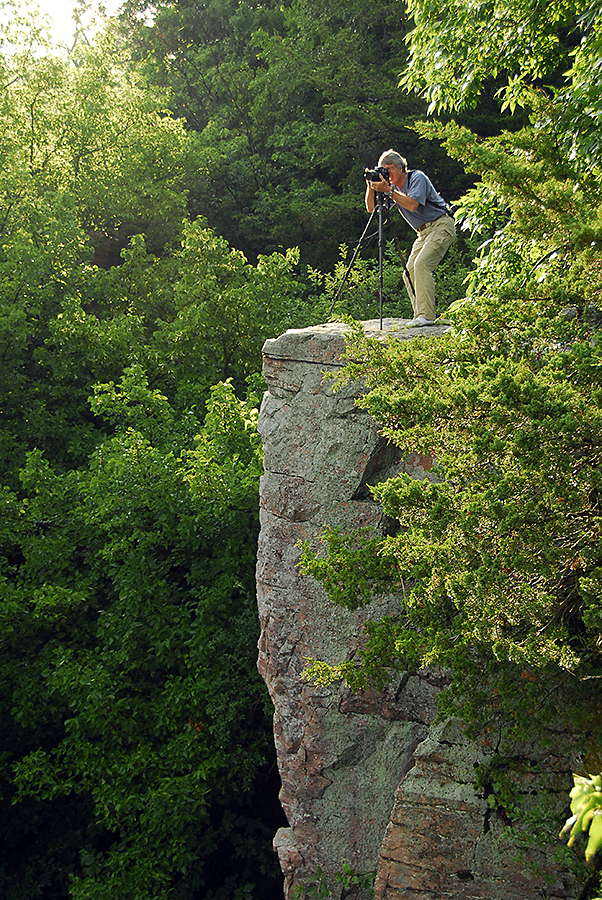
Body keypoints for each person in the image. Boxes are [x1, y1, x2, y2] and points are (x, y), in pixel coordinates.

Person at [365, 149, 456, 327]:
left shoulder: (416, 178)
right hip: (422, 233)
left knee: (421, 264)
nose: (386, 173)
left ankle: (426, 316)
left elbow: (412, 205)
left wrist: (389, 190)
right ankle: (421, 315)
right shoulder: (393, 187)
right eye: (382, 170)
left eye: (388, 169)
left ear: (400, 168)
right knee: (409, 273)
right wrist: (371, 186)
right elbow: (371, 208)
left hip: (440, 225)